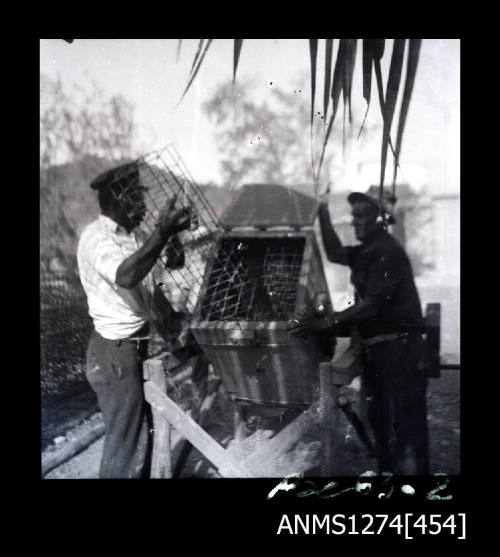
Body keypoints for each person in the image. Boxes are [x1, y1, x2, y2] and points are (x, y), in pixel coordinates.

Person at [288, 188, 429, 475]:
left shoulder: (387, 252)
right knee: (381, 424)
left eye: (365, 215)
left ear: (381, 219)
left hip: (400, 350)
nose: (357, 222)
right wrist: (324, 212)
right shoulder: (367, 251)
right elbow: (335, 251)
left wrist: (326, 323)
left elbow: (371, 307)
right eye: (355, 216)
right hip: (379, 351)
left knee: (405, 432)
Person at [77, 162, 193, 478]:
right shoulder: (95, 237)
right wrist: (161, 231)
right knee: (125, 445)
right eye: (137, 198)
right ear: (118, 200)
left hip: (135, 346)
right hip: (113, 352)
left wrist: (174, 235)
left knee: (142, 435)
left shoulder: (135, 235)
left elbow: (170, 261)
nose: (144, 206)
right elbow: (127, 275)